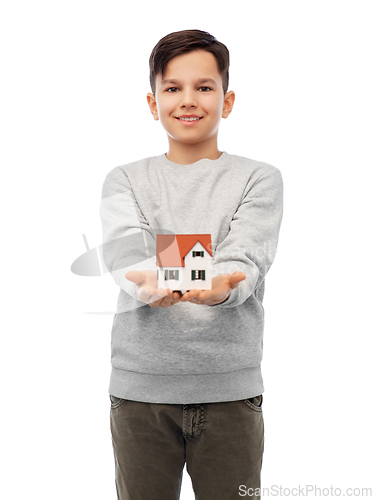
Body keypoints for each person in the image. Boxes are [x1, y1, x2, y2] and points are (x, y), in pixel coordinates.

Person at [100, 29, 283, 500]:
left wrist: (216, 285)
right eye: (172, 87)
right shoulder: (125, 179)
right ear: (152, 100)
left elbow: (244, 257)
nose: (188, 100)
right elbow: (126, 252)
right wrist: (148, 282)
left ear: (227, 100)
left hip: (230, 392)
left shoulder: (258, 178)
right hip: (140, 393)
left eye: (204, 87)